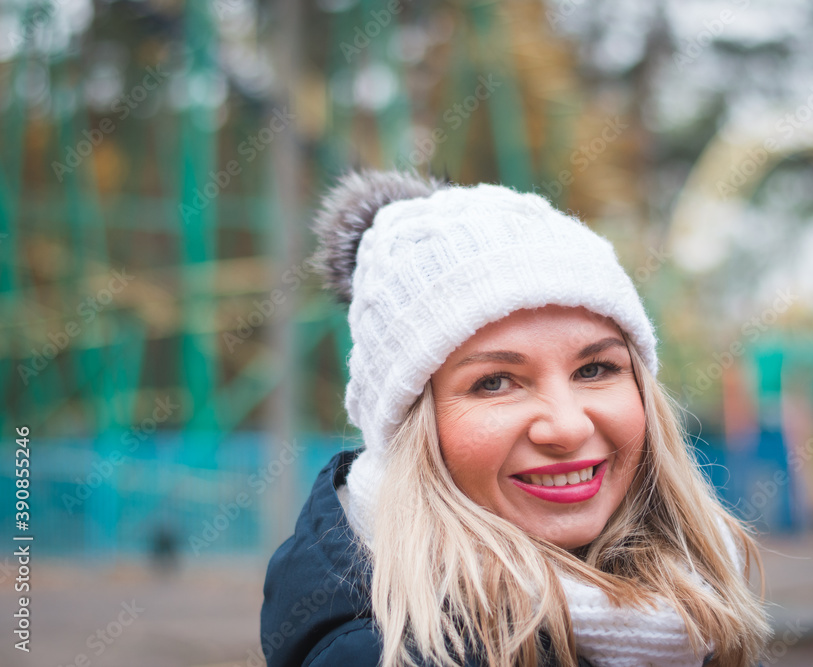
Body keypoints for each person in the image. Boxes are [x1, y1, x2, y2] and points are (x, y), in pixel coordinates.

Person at [261, 170, 771, 667]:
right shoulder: (379, 651)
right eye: (495, 382)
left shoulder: (691, 585)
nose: (568, 428)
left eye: (595, 369)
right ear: (410, 427)